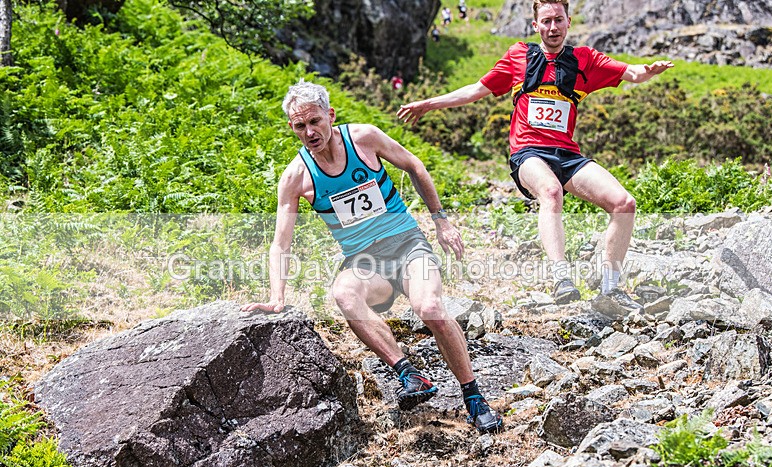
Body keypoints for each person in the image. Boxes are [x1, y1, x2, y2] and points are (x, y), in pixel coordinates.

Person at [241, 81, 503, 433]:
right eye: (300, 126)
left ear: (330, 115)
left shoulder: (363, 138)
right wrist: (277, 297)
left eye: (315, 121)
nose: (310, 132)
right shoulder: (296, 177)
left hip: (408, 246)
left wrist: (441, 221)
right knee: (344, 294)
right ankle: (409, 375)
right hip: (365, 262)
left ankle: (474, 399)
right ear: (292, 127)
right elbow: (280, 243)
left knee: (429, 308)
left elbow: (414, 165)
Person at [398, 0, 673, 315]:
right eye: (546, 21)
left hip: (567, 155)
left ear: (568, 22)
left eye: (558, 20)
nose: (553, 27)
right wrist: (429, 104)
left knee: (624, 203)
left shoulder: (585, 59)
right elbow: (475, 90)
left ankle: (610, 289)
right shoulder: (519, 55)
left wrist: (648, 71)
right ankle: (561, 278)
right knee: (551, 191)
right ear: (535, 25)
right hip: (527, 153)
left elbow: (631, 72)